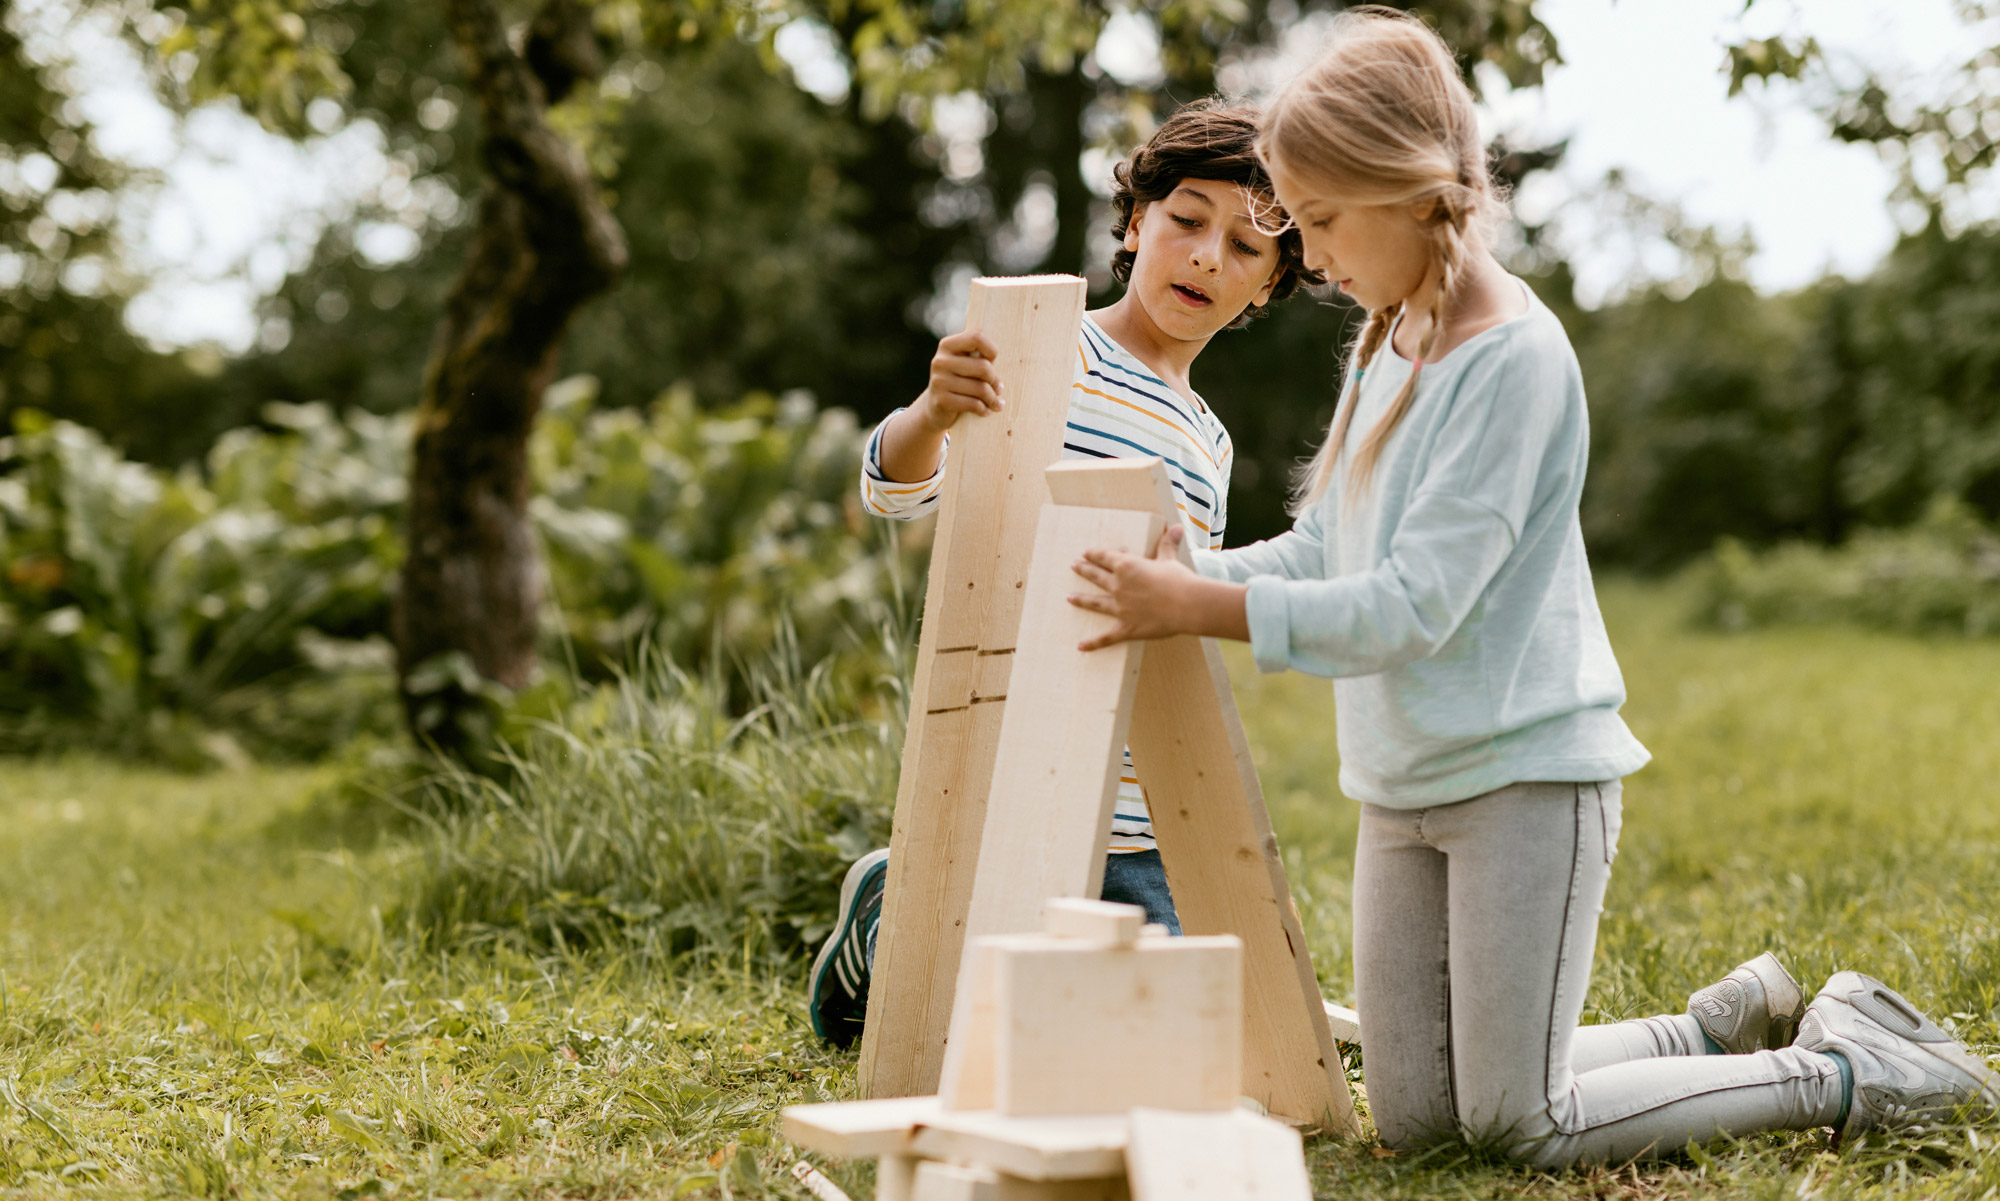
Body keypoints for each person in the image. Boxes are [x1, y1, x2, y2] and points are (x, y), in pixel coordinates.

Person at [1060, 7, 1999, 1165]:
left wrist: (1202, 607)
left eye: (1318, 222)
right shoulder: (1386, 338)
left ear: (1405, 190)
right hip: (1402, 783)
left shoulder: (1513, 358)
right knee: (1419, 1122)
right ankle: (1709, 1022)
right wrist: (1192, 572)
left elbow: (1411, 605)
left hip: (1522, 780)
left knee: (1517, 1122)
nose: (1314, 258)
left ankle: (1842, 1067)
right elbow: (1320, 549)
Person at [807, 98, 1323, 1048]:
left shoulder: (1210, 442)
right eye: (1188, 220)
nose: (1210, 255)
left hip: (1134, 802)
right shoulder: (1049, 353)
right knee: (993, 1024)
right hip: (1004, 763)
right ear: (1136, 223)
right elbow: (896, 490)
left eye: (1247, 249)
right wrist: (934, 411)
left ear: (1267, 288)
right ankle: (891, 918)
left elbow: (1179, 609)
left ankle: (945, 913)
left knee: (1160, 1026)